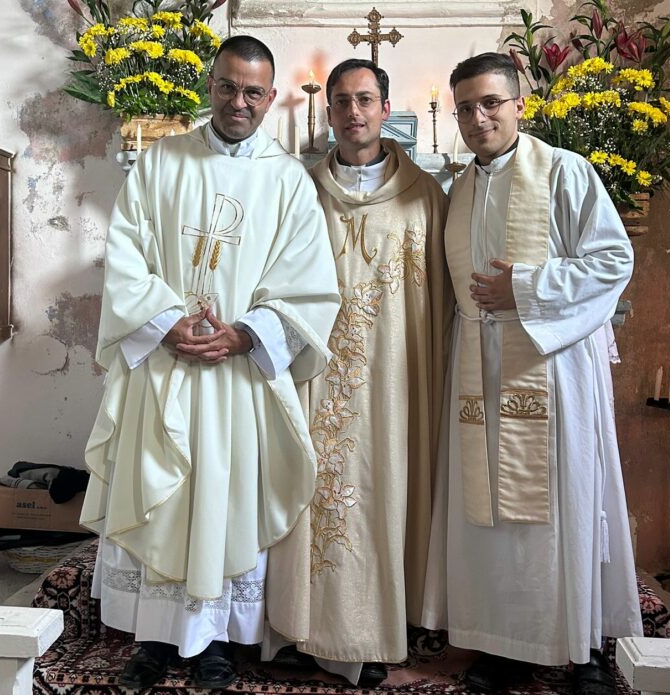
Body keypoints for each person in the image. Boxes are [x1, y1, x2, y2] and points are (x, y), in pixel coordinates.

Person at [79, 35, 341, 690]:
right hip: (165, 368)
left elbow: (310, 282)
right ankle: (154, 639)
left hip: (235, 376)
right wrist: (167, 323)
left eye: (253, 91)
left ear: (271, 97)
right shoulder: (163, 162)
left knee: (226, 504)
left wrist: (246, 334)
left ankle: (214, 640)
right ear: (211, 86)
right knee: (159, 496)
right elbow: (126, 256)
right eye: (228, 86)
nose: (239, 102)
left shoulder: (287, 181)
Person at [421, 53, 642, 695]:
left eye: (490, 102)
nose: (477, 117)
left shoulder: (564, 172)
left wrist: (524, 287)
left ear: (519, 105)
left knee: (566, 504)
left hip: (551, 367)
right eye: (465, 107)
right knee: (487, 514)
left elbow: (611, 260)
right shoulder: (459, 188)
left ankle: (584, 648)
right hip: (477, 372)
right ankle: (503, 643)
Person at [266, 58, 453, 687]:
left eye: (365, 100)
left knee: (385, 490)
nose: (353, 112)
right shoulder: (300, 190)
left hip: (398, 381)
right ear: (329, 112)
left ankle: (378, 628)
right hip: (315, 376)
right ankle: (301, 627)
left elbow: (443, 302)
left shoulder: (426, 195)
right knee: (309, 488)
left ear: (385, 106)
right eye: (342, 101)